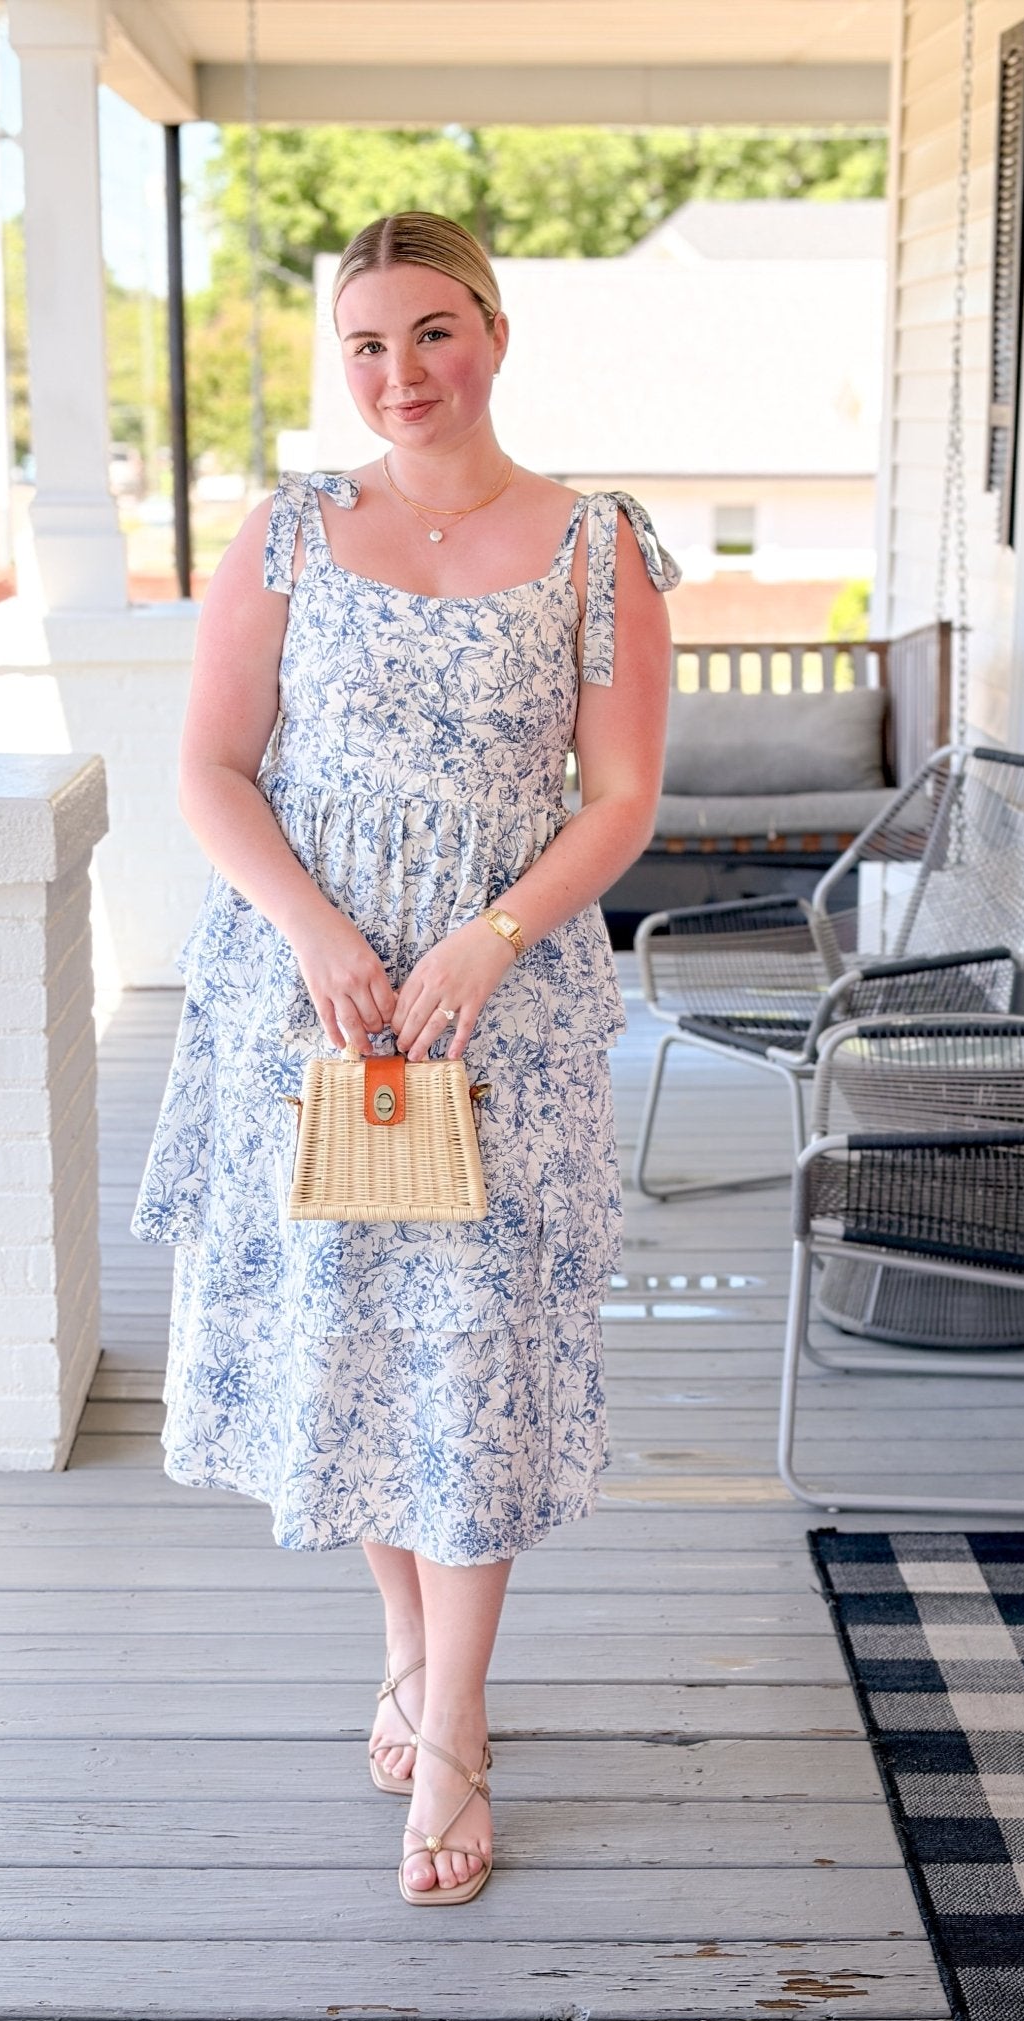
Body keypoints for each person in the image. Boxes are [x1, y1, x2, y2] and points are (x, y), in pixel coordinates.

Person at [130, 210, 679, 1905]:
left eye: (431, 334)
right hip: (314, 1007)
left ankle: (455, 1724)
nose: (399, 375)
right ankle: (401, 1642)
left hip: (500, 1008)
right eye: (366, 347)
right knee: (355, 1346)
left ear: (495, 335)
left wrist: (488, 938)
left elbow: (622, 797)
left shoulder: (598, 546)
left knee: (473, 1362)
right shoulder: (292, 531)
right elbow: (213, 768)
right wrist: (317, 933)